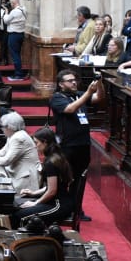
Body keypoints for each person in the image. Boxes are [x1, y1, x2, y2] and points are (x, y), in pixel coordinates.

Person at [51, 68, 102, 221]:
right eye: (70, 81)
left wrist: (100, 83)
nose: (74, 83)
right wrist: (88, 92)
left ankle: (76, 210)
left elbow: (99, 98)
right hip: (67, 145)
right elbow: (70, 109)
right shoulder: (57, 98)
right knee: (64, 179)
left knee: (79, 179)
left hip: (83, 144)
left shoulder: (79, 94)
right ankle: (61, 208)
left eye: (75, 80)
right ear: (61, 84)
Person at [15, 127, 72, 225]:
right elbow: (51, 187)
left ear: (45, 142)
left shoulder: (51, 162)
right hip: (57, 201)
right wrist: (33, 193)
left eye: (36, 143)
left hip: (58, 205)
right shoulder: (56, 156)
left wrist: (35, 203)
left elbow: (52, 191)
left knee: (20, 216)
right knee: (17, 206)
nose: (35, 146)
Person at [0, 112, 41, 198]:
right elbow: (2, 152)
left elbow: (6, 160)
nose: (2, 129)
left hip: (24, 179)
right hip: (17, 174)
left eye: (3, 127)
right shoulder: (13, 135)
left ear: (10, 127)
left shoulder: (18, 138)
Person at [2, 0, 28, 78]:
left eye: (11, 3)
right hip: (21, 34)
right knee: (17, 54)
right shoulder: (24, 9)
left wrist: (6, 11)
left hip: (14, 35)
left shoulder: (14, 11)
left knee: (15, 55)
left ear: (13, 3)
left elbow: (6, 21)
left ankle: (18, 74)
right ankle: (18, 72)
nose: (11, 4)